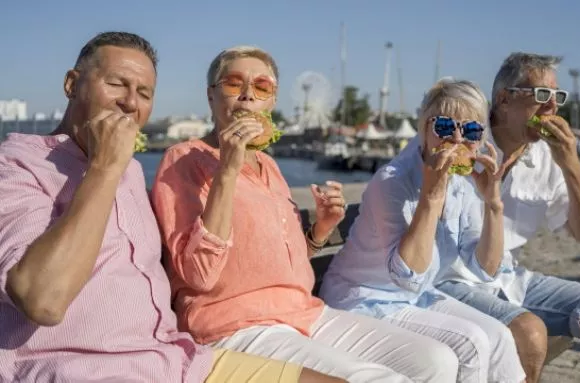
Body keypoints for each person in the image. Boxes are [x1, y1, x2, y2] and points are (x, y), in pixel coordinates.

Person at [0, 31, 342, 383]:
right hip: (85, 367)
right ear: (72, 84)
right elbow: (41, 300)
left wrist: (319, 232)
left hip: (176, 358)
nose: (130, 103)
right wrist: (104, 168)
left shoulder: (131, 171)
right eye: (117, 84)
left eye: (145, 93)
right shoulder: (19, 164)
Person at [151, 45, 461, 383]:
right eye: (233, 84)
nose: (246, 96)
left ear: (272, 101)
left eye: (261, 87)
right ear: (211, 97)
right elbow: (198, 276)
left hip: (304, 311)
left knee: (436, 361)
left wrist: (320, 231)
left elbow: (278, 260)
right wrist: (228, 169)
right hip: (236, 325)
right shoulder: (183, 160)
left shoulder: (269, 165)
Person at [436, 52, 580, 382]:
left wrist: (570, 163)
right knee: (530, 333)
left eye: (558, 97)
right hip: (451, 280)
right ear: (503, 99)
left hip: (507, 278)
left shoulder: (545, 157)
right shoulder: (464, 137)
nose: (551, 107)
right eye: (541, 95)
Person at [319, 78, 526, 383]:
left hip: (415, 297)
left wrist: (493, 203)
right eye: (444, 126)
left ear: (481, 139)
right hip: (363, 298)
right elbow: (407, 276)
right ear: (424, 130)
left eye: (470, 130)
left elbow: (485, 269)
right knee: (471, 343)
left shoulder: (463, 186)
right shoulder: (392, 182)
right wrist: (431, 197)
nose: (456, 138)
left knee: (499, 337)